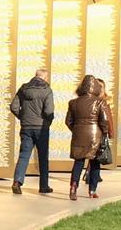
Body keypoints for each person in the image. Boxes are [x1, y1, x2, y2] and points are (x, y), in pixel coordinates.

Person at [8, 67, 55, 195]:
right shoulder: (47, 90)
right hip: (41, 128)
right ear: (45, 78)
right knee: (43, 157)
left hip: (26, 127)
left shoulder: (23, 89)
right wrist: (49, 121)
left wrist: (22, 117)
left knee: (24, 155)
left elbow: (13, 106)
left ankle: (17, 182)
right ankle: (44, 186)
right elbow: (49, 111)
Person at [66, 75, 113, 200]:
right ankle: (92, 190)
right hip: (95, 135)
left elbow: (68, 121)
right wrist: (104, 133)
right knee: (95, 162)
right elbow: (104, 121)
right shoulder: (99, 102)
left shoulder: (73, 102)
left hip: (78, 135)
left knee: (78, 162)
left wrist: (76, 129)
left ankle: (73, 186)